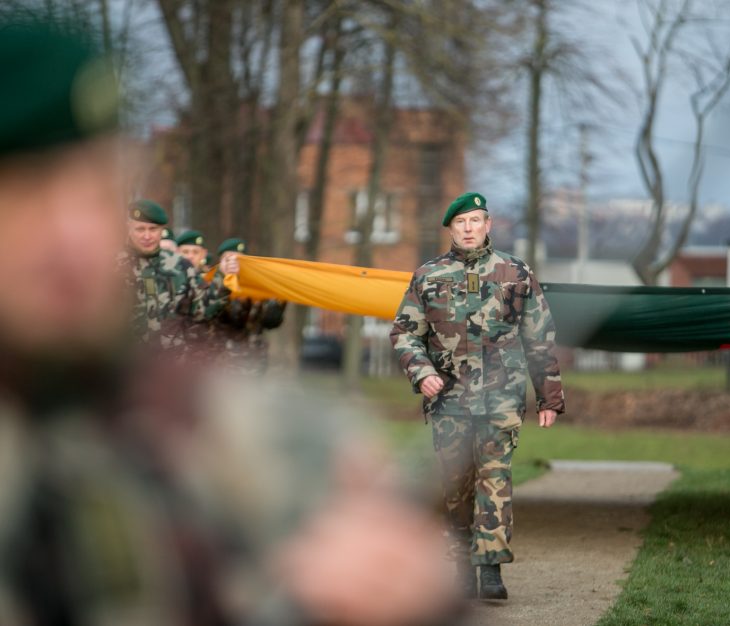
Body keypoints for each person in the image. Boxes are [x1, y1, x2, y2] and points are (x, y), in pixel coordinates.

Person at [0, 13, 458, 626]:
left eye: (92, 192)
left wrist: (402, 598)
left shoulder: (257, 438)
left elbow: (218, 313)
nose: (72, 237)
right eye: (28, 194)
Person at [390, 191, 566, 600]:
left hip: (500, 399)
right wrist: (422, 373)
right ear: (451, 229)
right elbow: (404, 333)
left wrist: (549, 397)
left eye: (475, 221)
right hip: (448, 402)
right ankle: (459, 570)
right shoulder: (428, 275)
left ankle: (490, 570)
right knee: (455, 488)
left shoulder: (515, 272)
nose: (468, 229)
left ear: (488, 224)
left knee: (495, 479)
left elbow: (539, 337)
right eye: (460, 223)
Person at [119, 199, 234, 352]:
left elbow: (202, 311)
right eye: (140, 229)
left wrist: (223, 279)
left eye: (153, 229)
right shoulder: (109, 266)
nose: (147, 236)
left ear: (162, 230)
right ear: (129, 229)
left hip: (172, 367)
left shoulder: (180, 266)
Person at [213, 237, 287, 373]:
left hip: (253, 362)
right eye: (228, 259)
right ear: (220, 262)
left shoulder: (258, 288)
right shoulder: (211, 285)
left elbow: (271, 322)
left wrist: (279, 299)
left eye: (239, 260)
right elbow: (216, 314)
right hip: (221, 362)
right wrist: (224, 280)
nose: (233, 264)